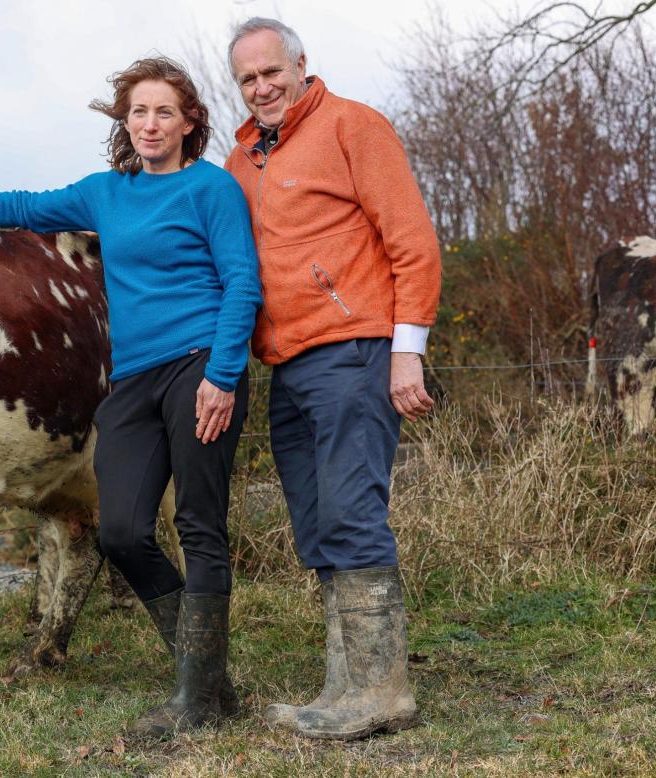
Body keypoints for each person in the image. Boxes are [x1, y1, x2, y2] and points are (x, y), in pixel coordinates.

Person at [0, 56, 262, 739]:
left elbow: (241, 283)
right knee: (121, 530)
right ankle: (213, 679)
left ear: (190, 121)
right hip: (131, 378)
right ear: (123, 122)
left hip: (200, 367)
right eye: (138, 111)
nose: (149, 123)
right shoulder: (107, 192)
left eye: (165, 111)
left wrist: (223, 377)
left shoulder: (211, 189)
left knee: (197, 524)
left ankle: (197, 698)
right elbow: (20, 208)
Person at [223, 18, 442, 740]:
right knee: (317, 525)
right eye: (247, 79)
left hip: (355, 351)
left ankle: (382, 691)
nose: (261, 87)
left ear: (299, 66)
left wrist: (405, 349)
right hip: (288, 364)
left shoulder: (354, 126)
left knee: (350, 515)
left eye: (270, 72)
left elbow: (410, 238)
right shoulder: (239, 161)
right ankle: (345, 685)